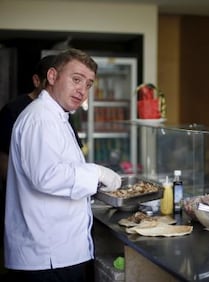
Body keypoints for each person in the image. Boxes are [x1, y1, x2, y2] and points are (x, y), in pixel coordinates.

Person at [4, 48, 122, 282]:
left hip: (57, 253)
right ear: (52, 77)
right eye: (76, 79)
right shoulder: (41, 118)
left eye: (88, 84)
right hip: (48, 257)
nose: (82, 90)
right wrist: (96, 171)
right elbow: (47, 177)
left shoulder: (57, 116)